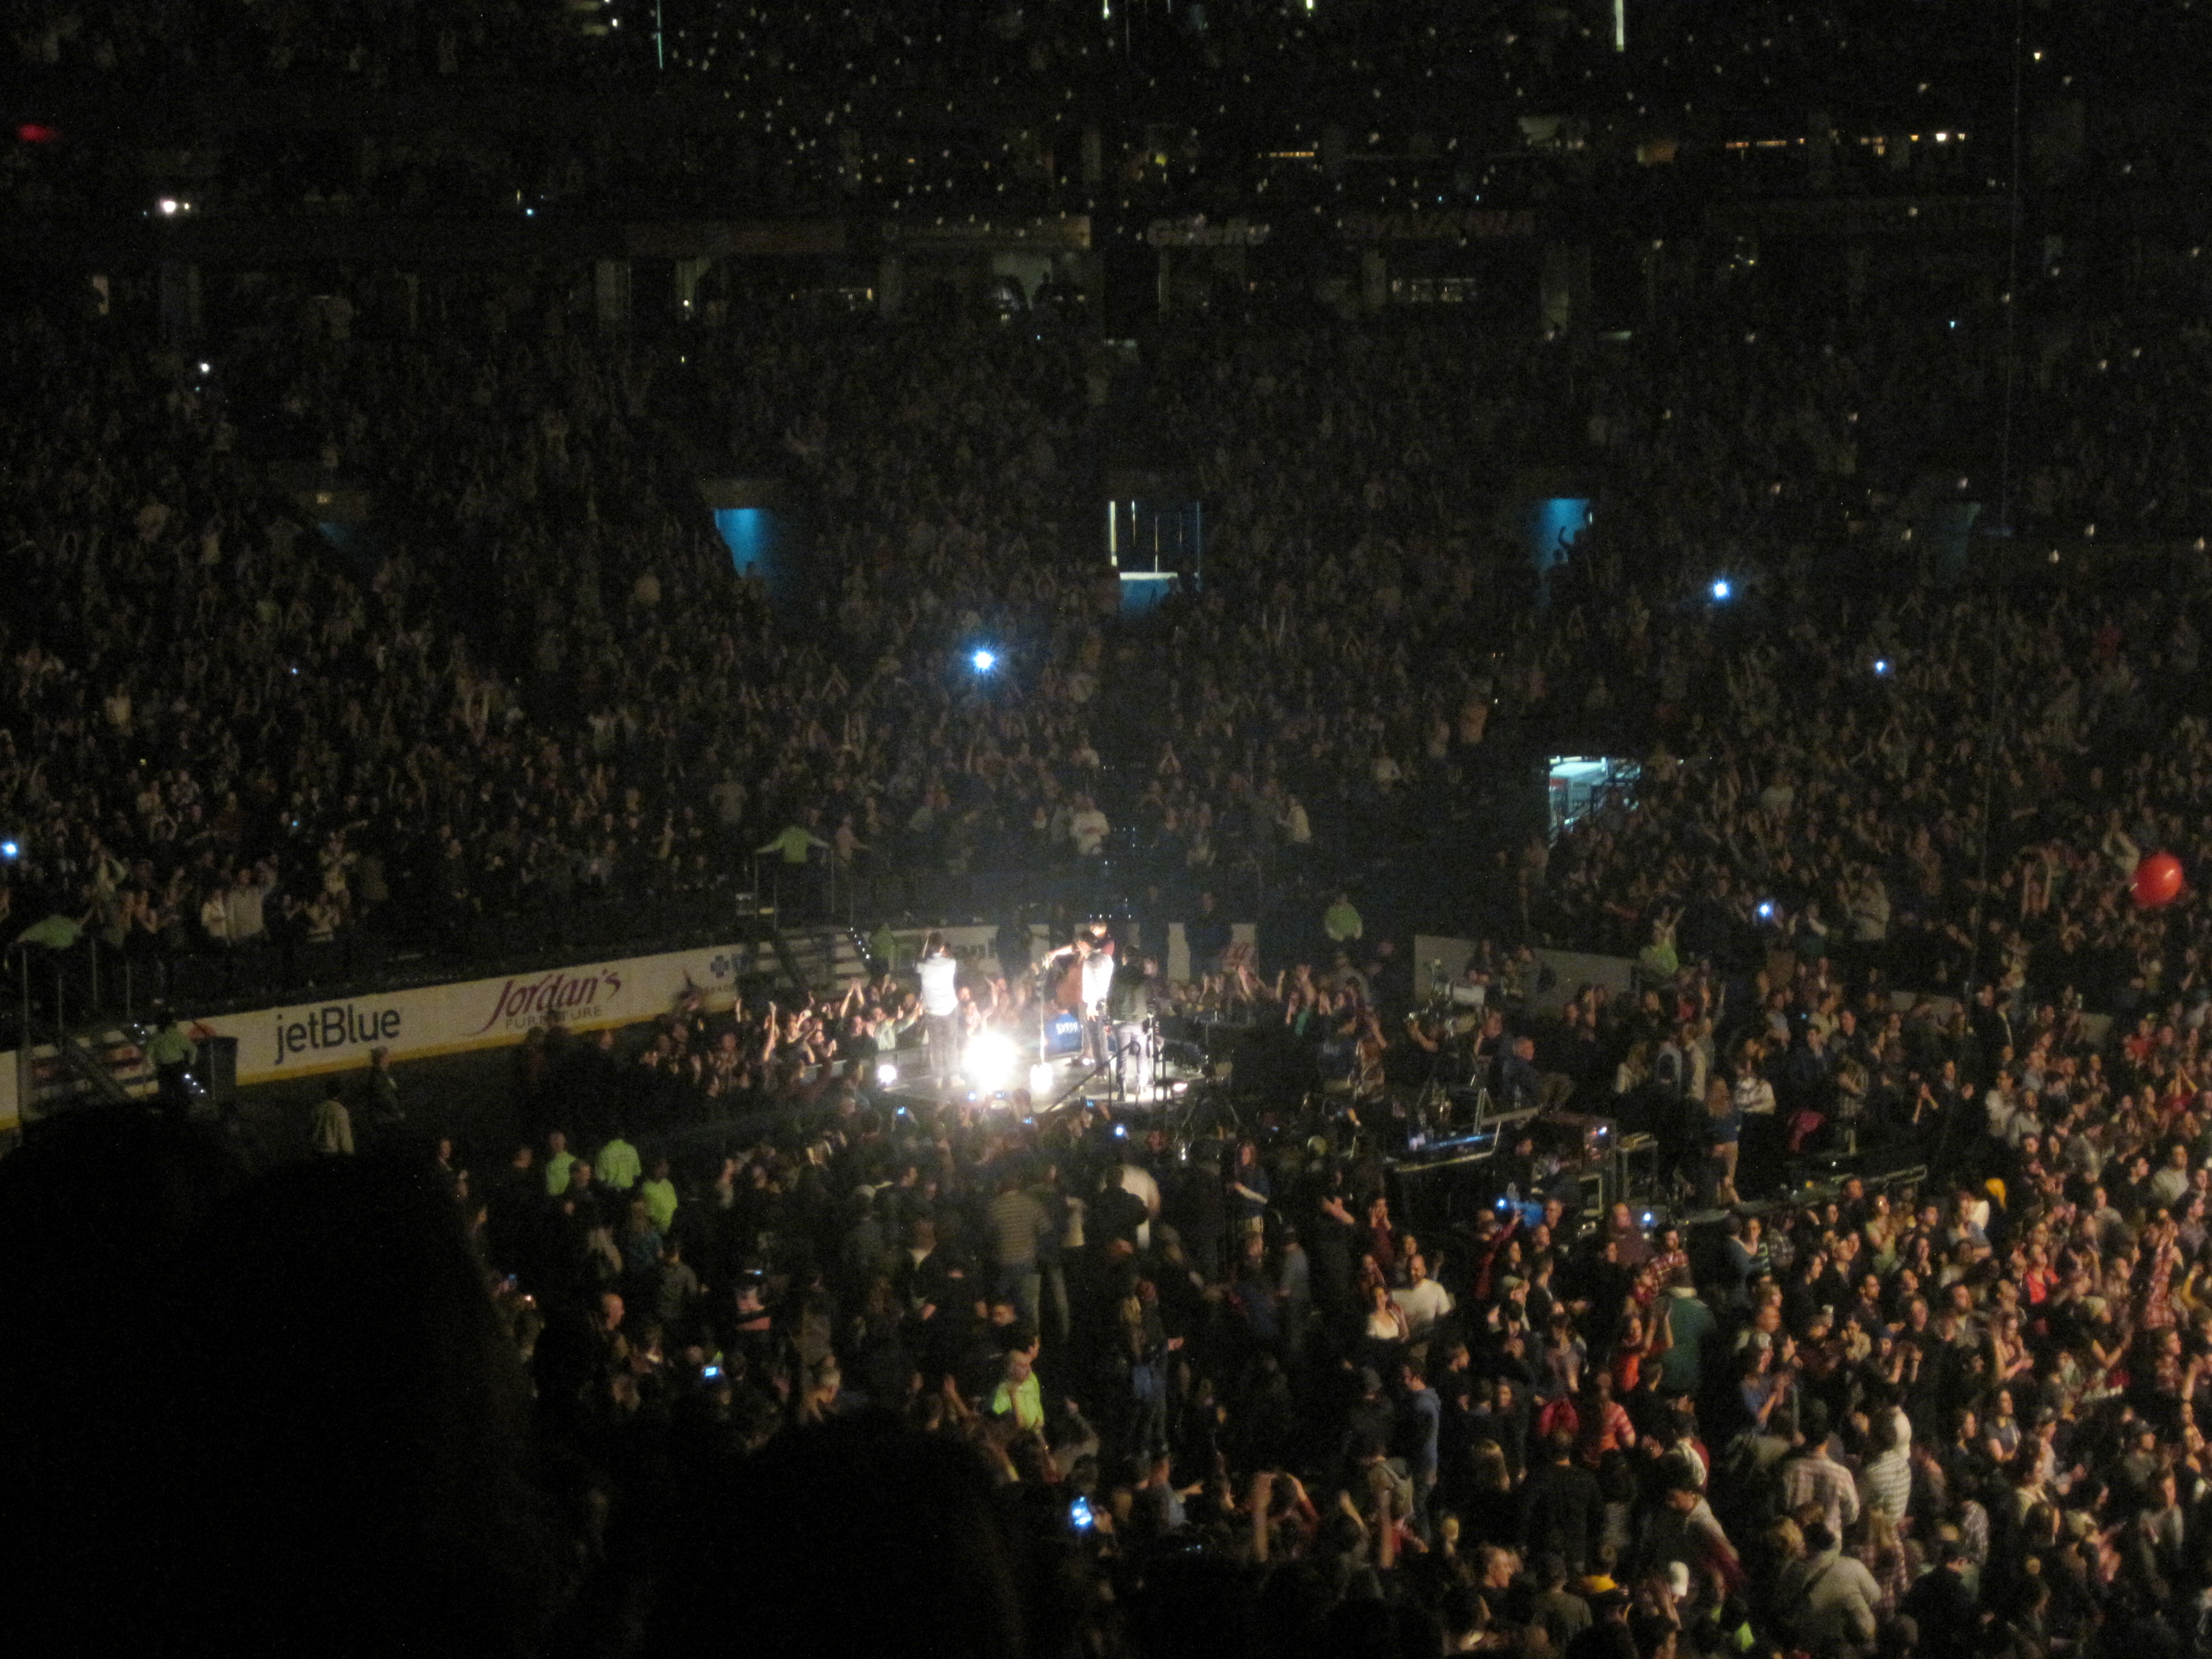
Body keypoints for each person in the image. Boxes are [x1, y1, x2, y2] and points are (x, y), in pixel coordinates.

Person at [917, 931, 961, 1088]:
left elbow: (920, 959)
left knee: (936, 1046)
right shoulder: (951, 963)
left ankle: (938, 1080)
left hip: (932, 1012)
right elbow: (948, 955)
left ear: (930, 947)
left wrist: (926, 940)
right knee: (951, 1044)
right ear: (943, 947)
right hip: (949, 1010)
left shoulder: (923, 966)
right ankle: (955, 1078)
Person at [308, 1090, 354, 1157]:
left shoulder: (317, 1109)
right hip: (333, 1154)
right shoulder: (341, 1110)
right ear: (339, 1094)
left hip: (317, 1153)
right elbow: (344, 1136)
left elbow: (310, 1131)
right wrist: (349, 1152)